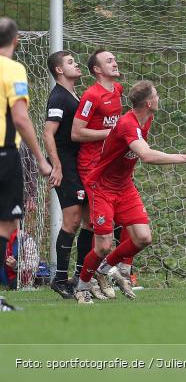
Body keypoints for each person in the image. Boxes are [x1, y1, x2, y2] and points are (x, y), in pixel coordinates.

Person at [74, 81, 186, 304]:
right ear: (149, 102)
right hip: (102, 187)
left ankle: (104, 269)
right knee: (104, 245)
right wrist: (183, 157)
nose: (159, 98)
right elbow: (145, 155)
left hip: (124, 186)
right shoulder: (127, 124)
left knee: (143, 238)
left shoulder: (147, 119)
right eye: (156, 94)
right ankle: (82, 286)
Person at [0, 17, 52, 311]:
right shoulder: (12, 69)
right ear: (17, 40)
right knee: (7, 221)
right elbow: (20, 118)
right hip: (4, 154)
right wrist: (42, 160)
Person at [71, 48, 123, 300]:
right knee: (96, 225)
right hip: (92, 168)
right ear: (97, 70)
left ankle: (99, 274)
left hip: (112, 166)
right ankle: (88, 279)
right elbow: (76, 133)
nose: (115, 62)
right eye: (109, 60)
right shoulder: (91, 95)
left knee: (120, 222)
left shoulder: (119, 90)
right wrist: (111, 134)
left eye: (114, 59)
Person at [43, 51, 90, 299]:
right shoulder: (59, 97)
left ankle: (80, 277)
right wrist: (57, 166)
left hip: (80, 163)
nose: (76, 64)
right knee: (72, 220)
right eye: (70, 62)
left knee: (90, 221)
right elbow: (48, 132)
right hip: (67, 165)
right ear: (59, 70)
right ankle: (60, 279)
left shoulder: (75, 95)